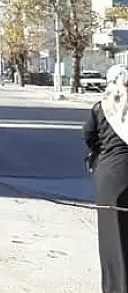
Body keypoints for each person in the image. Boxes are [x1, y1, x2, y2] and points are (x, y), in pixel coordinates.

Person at [85, 63, 128, 293]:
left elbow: (88, 135)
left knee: (113, 238)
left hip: (110, 179)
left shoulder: (101, 108)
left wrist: (98, 154)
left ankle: (116, 287)